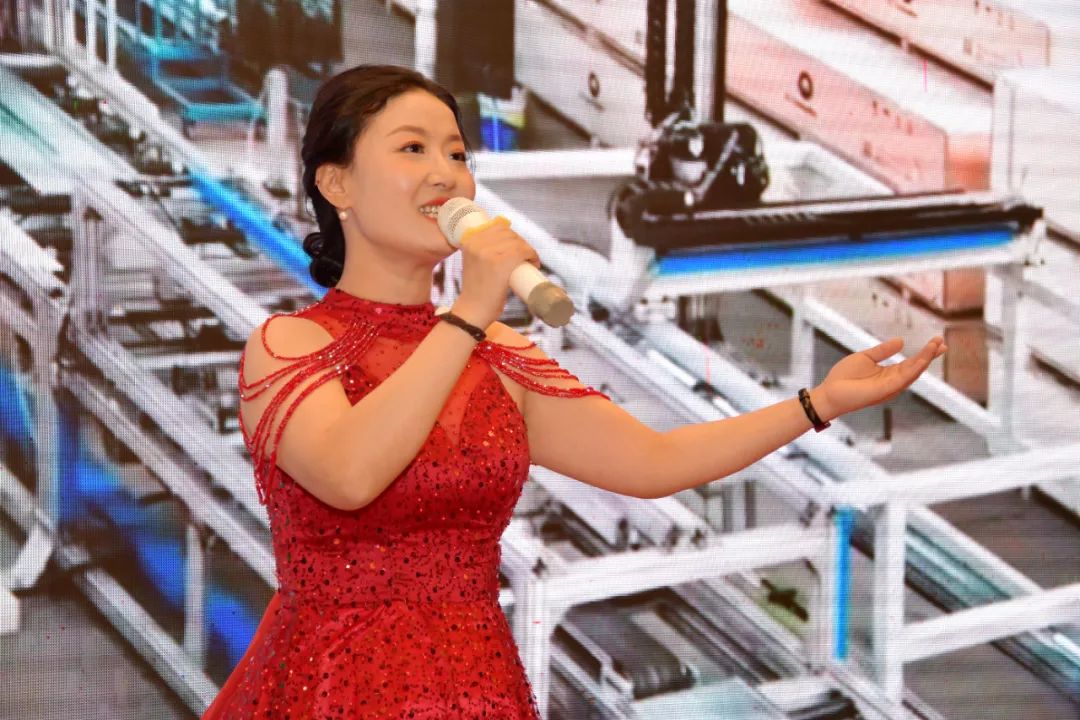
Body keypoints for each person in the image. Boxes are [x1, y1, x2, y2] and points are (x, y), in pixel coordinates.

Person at [202, 64, 947, 719]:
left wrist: (818, 405)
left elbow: (654, 462)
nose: (446, 174)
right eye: (412, 149)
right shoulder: (290, 346)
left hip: (475, 685)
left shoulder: (499, 355)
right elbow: (350, 473)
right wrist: (469, 312)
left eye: (456, 154)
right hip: (332, 689)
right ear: (337, 184)